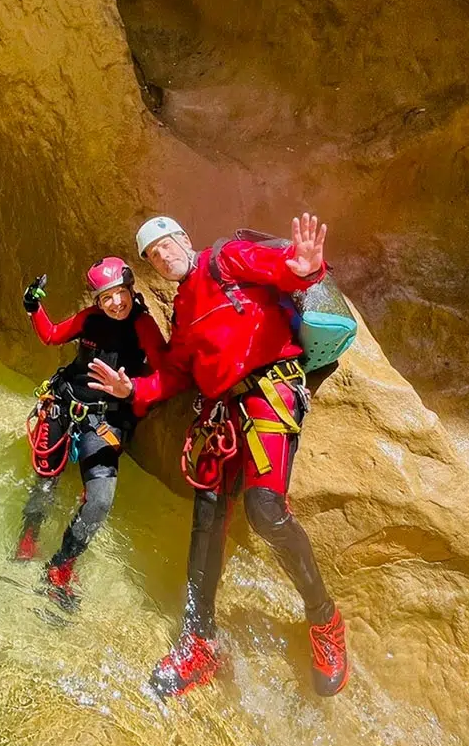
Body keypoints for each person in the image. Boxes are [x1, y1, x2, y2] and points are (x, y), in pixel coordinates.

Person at [89, 212, 349, 699]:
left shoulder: (224, 260)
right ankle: (200, 640)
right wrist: (132, 388)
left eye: (167, 244)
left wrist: (304, 266)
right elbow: (174, 373)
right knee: (207, 515)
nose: (164, 257)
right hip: (220, 412)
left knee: (266, 511)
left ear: (185, 239)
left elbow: (278, 268)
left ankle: (325, 620)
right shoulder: (183, 314)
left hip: (268, 392)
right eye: (153, 255)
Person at [17, 256, 166, 609]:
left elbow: (165, 370)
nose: (115, 302)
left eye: (120, 293)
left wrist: (132, 389)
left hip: (104, 421)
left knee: (99, 501)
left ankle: (61, 566)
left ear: (131, 290)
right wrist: (33, 307)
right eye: (106, 297)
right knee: (45, 482)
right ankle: (28, 537)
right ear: (97, 301)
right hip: (64, 405)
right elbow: (52, 335)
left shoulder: (142, 326)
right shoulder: (89, 319)